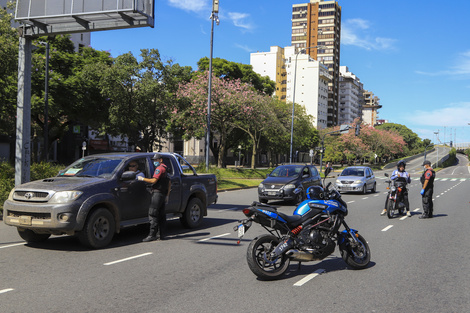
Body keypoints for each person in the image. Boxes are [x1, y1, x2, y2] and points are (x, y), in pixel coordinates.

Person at [137, 153, 171, 241]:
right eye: (154, 160)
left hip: (157, 194)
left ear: (161, 160)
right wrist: (167, 195)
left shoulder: (159, 169)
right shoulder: (166, 168)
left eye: (156, 160)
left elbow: (153, 180)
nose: (155, 162)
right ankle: (162, 235)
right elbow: (169, 183)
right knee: (161, 215)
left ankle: (152, 235)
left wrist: (142, 179)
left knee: (152, 214)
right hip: (162, 194)